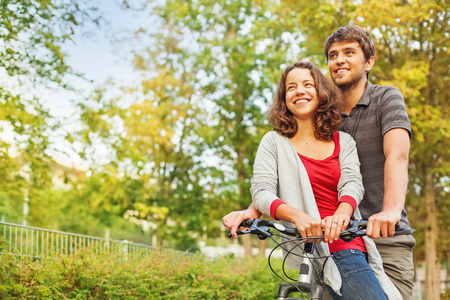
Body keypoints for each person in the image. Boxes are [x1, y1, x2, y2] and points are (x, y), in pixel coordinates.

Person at [223, 25, 415, 300]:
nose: (339, 60)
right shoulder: (324, 116)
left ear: (369, 61)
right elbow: (288, 174)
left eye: (349, 52)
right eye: (333, 54)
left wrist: (391, 210)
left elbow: (397, 156)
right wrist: (255, 209)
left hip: (382, 232)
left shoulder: (385, 99)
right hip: (321, 241)